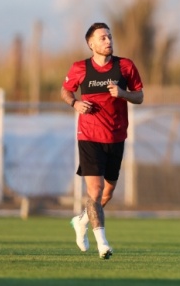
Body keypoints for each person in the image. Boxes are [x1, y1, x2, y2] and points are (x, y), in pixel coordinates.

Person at [61, 22, 144, 259]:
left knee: (107, 194)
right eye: (103, 38)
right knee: (95, 192)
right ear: (91, 44)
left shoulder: (125, 66)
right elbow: (65, 90)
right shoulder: (80, 68)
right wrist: (75, 103)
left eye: (109, 37)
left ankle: (81, 221)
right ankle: (103, 243)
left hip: (116, 136)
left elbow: (140, 96)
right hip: (89, 137)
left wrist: (123, 93)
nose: (108, 41)